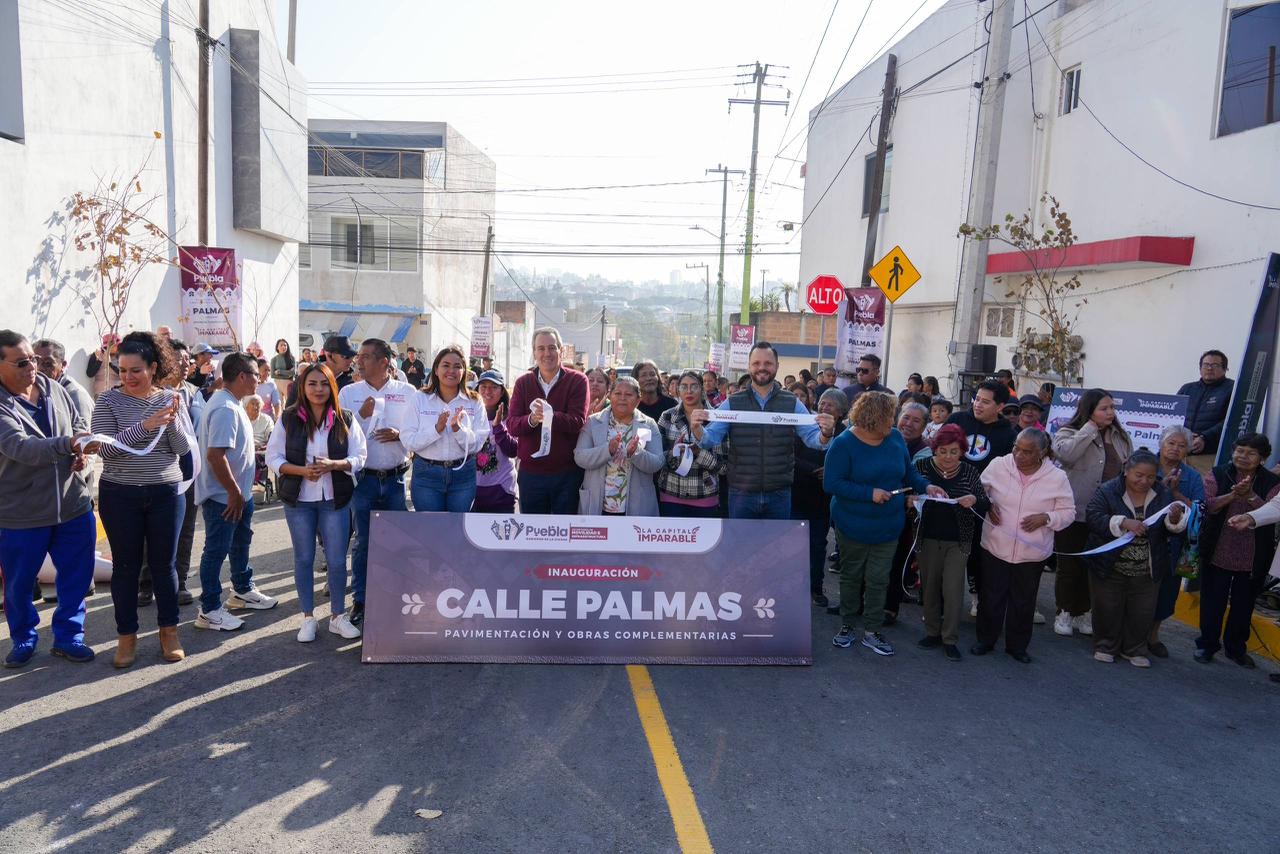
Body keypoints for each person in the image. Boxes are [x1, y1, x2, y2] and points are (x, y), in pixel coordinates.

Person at [89, 331, 190, 667]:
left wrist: (170, 422)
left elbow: (181, 449)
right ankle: (126, 637)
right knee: (125, 568)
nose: (128, 377)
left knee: (164, 566)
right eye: (122, 370)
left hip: (165, 493)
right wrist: (147, 425)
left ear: (153, 368)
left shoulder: (171, 397)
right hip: (120, 494)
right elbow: (106, 450)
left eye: (136, 370)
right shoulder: (107, 401)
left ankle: (169, 632)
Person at [0, 330, 97, 667]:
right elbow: (21, 448)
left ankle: (69, 636)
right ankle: (24, 638)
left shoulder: (53, 388)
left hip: (72, 504)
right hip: (22, 514)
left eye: (34, 360)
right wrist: (68, 444)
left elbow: (78, 423)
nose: (33, 367)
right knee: (19, 585)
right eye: (22, 363)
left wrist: (81, 451)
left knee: (77, 577)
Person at [825, 392, 947, 655]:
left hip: (889, 525)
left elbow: (909, 472)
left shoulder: (894, 438)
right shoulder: (844, 443)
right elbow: (832, 483)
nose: (894, 421)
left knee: (879, 579)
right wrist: (869, 493)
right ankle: (847, 625)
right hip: (853, 523)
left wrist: (927, 486)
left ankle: (872, 630)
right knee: (851, 576)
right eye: (890, 416)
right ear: (873, 418)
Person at [267, 362, 367, 642]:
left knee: (336, 559)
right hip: (299, 500)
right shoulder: (288, 418)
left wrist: (336, 464)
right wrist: (301, 471)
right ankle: (308, 618)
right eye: (312, 383)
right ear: (303, 387)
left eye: (324, 384)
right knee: (303, 558)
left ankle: (337, 616)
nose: (318, 389)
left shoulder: (345, 418)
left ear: (332, 387)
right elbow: (273, 457)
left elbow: (360, 456)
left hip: (335, 499)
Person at [695, 341, 835, 520]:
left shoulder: (791, 402)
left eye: (768, 363)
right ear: (749, 366)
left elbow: (814, 439)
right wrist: (697, 428)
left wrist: (826, 433)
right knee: (742, 539)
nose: (762, 368)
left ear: (777, 366)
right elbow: (709, 439)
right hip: (741, 494)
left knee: (776, 540)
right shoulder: (733, 402)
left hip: (779, 494)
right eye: (756, 363)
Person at [972, 428, 1074, 663]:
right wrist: (988, 504)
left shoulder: (1057, 477)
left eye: (1027, 452)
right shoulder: (998, 465)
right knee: (991, 596)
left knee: (1024, 601)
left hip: (1032, 553)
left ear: (1042, 453)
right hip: (995, 545)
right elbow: (978, 492)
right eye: (1016, 448)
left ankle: (1017, 647)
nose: (1019, 455)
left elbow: (1068, 513)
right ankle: (985, 640)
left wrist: (1047, 518)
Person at [195, 352, 278, 633]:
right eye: (256, 374)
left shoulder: (232, 402)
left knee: (240, 544)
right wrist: (232, 492)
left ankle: (242, 590)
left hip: (238, 495)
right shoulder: (225, 408)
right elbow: (215, 456)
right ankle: (209, 610)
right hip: (224, 497)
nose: (260, 379)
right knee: (216, 551)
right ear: (242, 376)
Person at [1084, 450, 1186, 668]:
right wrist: (1122, 522)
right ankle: (1105, 646)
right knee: (1107, 607)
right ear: (1126, 471)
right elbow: (1093, 517)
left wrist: (1175, 519)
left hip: (1147, 566)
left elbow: (1172, 530)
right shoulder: (1108, 490)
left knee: (1142, 611)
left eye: (1150, 477)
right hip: (1109, 564)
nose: (1144, 481)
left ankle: (1135, 649)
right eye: (1138, 475)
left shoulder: (1163, 493)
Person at [338, 339, 414, 626]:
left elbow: (417, 432)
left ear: (384, 362)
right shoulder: (349, 393)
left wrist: (400, 434)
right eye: (359, 356)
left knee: (398, 542)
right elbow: (339, 436)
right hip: (363, 480)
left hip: (396, 478)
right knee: (363, 542)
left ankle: (397, 598)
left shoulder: (407, 392)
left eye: (366, 357)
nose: (359, 361)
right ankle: (361, 600)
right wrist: (361, 415)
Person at [1051, 389, 1134, 638]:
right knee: (1069, 566)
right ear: (1089, 411)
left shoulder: (1121, 436)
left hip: (1106, 515)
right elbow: (1066, 455)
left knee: (1095, 566)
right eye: (1104, 408)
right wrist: (1090, 428)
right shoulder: (1068, 432)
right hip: (1074, 511)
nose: (1110, 413)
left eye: (1112, 408)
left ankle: (1083, 612)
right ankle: (1064, 611)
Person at [1195, 433, 1279, 666]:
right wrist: (1233, 495)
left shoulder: (1272, 482)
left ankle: (1236, 648)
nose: (1243, 456)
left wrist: (1250, 496)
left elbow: (1273, 511)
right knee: (1213, 602)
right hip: (1218, 548)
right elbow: (1208, 505)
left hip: (1253, 555)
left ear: (1262, 458)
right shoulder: (1218, 473)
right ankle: (1206, 645)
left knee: (1244, 605)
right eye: (1240, 451)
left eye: (1251, 453)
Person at [914, 424, 989, 661]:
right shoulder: (922, 467)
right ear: (934, 449)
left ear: (962, 452)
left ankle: (950, 638)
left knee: (953, 589)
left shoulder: (969, 471)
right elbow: (908, 492)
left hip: (959, 540)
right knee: (930, 587)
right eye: (943, 451)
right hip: (927, 537)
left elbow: (985, 502)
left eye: (954, 452)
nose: (948, 457)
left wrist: (973, 498)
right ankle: (932, 632)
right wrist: (912, 499)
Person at [947, 379, 1018, 616]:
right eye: (977, 399)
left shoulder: (1008, 435)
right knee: (947, 552)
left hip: (982, 504)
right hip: (949, 500)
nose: (978, 404)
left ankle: (977, 596)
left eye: (985, 402)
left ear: (1000, 407)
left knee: (977, 554)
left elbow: (1009, 474)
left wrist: (992, 503)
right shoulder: (957, 420)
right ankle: (942, 601)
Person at [506, 327, 589, 515]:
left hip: (567, 473)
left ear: (561, 350)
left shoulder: (578, 380)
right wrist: (532, 420)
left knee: (565, 529)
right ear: (534, 352)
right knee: (532, 529)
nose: (547, 353)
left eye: (552, 348)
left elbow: (577, 421)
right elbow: (512, 425)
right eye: (541, 348)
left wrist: (550, 416)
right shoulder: (523, 382)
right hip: (531, 474)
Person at [401, 345, 490, 512]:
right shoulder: (419, 398)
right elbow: (408, 440)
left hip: (463, 475)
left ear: (464, 371)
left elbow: (477, 444)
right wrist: (436, 429)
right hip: (427, 475)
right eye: (446, 365)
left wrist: (458, 430)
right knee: (431, 526)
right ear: (436, 369)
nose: (451, 371)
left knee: (458, 526)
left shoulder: (474, 401)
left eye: (457, 366)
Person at [1148, 425, 1205, 657]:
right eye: (1171, 443)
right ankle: (1129, 632)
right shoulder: (1144, 464)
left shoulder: (1192, 476)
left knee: (1166, 592)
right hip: (1144, 537)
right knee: (1136, 588)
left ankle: (1152, 636)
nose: (1175, 449)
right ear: (1161, 444)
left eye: (1182, 446)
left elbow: (1200, 511)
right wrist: (1161, 489)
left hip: (1175, 543)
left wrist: (1177, 494)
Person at [574, 377, 664, 515]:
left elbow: (657, 463)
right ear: (610, 396)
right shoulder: (593, 422)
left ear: (638, 399)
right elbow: (580, 457)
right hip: (598, 504)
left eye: (628, 394)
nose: (622, 398)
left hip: (637, 506)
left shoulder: (649, 424)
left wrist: (636, 453)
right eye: (617, 393)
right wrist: (607, 450)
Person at [792, 388, 849, 606]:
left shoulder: (845, 434)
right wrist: (812, 470)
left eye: (830, 405)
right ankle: (792, 588)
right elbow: (791, 455)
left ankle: (815, 587)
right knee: (793, 546)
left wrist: (831, 471)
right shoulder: (806, 425)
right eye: (822, 402)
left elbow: (848, 461)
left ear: (841, 412)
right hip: (798, 493)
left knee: (817, 544)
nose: (824, 407)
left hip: (823, 500)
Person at [657, 370, 726, 520]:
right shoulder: (667, 417)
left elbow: (723, 467)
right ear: (678, 390)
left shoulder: (716, 418)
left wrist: (698, 452)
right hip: (671, 495)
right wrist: (674, 453)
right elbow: (657, 458)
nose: (689, 391)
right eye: (684, 386)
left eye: (694, 386)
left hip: (705, 496)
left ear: (702, 389)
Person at [1177, 349, 1234, 471]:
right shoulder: (1187, 389)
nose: (1209, 368)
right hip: (1181, 452)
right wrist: (1184, 434)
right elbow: (1175, 416)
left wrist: (1204, 437)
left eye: (1215, 365)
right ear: (1200, 368)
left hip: (1210, 454)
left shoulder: (1232, 389)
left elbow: (1231, 420)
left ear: (1225, 369)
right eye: (1206, 365)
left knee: (1205, 484)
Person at [473, 370, 518, 513]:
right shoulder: (469, 414)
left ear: (502, 391)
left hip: (502, 490)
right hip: (471, 490)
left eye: (494, 387)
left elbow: (513, 450)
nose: (488, 391)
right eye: (483, 387)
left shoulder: (511, 417)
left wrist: (498, 427)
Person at [33, 339, 94, 423]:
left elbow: (83, 430)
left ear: (63, 365)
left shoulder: (75, 395)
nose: (39, 368)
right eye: (35, 361)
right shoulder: (37, 389)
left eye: (47, 363)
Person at [86, 333, 121, 398]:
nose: (117, 347)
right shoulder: (97, 354)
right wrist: (99, 360)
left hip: (117, 394)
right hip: (100, 394)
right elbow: (90, 373)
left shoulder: (121, 356)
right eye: (115, 345)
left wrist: (110, 363)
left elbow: (122, 374)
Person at [269, 338, 296, 403]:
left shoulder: (292, 358)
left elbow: (293, 372)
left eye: (285, 345)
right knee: (279, 403)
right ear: (277, 347)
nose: (283, 347)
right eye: (281, 345)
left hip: (289, 384)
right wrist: (287, 374)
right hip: (277, 384)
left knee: (290, 403)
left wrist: (280, 371)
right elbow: (272, 375)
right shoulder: (274, 359)